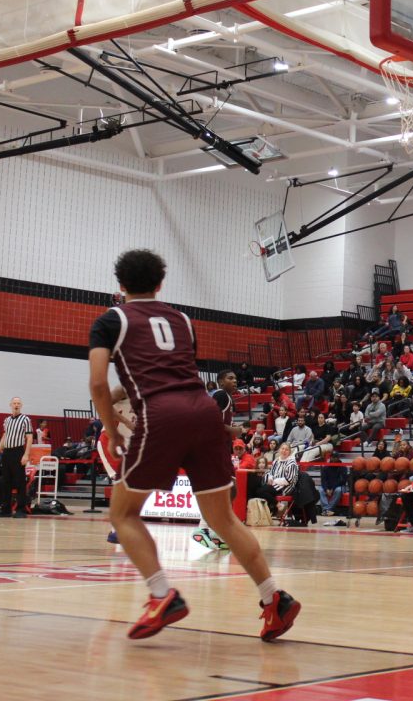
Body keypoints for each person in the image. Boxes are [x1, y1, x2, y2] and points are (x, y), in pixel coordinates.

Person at [88, 249, 299, 641]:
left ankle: (160, 594)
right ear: (160, 283)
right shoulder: (182, 320)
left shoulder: (110, 320)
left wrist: (111, 426)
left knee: (123, 514)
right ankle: (274, 599)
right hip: (203, 412)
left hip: (160, 415)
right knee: (223, 519)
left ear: (119, 285)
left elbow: (99, 384)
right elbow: (174, 369)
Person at [192, 368, 241, 550]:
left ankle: (208, 527)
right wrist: (233, 430)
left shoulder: (225, 397)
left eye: (235, 378)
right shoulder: (221, 395)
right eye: (230, 378)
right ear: (220, 382)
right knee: (228, 488)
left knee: (229, 488)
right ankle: (207, 528)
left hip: (220, 447)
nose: (234, 380)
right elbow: (210, 419)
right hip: (215, 446)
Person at [0, 397, 32, 518]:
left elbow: (29, 438)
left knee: (20, 481)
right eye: (14, 403)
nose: (16, 405)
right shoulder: (7, 420)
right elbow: (5, 436)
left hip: (18, 451)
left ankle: (21, 509)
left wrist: (26, 454)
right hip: (7, 452)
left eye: (18, 403)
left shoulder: (25, 419)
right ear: (10, 404)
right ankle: (6, 509)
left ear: (21, 405)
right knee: (6, 481)